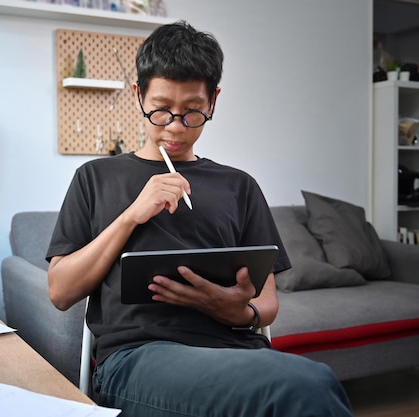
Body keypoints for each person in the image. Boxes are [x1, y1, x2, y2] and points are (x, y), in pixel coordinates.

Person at [47, 21, 353, 417]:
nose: (175, 127)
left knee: (313, 381)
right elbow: (60, 292)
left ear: (212, 102)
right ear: (138, 94)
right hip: (138, 359)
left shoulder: (239, 186)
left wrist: (237, 311)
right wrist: (131, 216)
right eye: (160, 110)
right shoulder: (95, 178)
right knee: (304, 388)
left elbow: (267, 300)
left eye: (192, 112)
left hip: (235, 349)